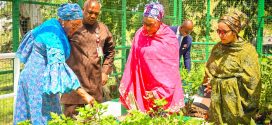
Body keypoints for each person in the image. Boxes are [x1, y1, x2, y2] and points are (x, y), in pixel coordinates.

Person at [14, 3, 94, 125]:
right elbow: (59, 67)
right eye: (74, 25)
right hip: (38, 82)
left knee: (29, 118)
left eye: (79, 25)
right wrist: (85, 95)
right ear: (63, 21)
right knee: (44, 118)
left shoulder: (51, 24)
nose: (76, 29)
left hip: (29, 77)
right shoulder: (53, 35)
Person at [119, 2, 184, 113]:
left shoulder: (169, 38)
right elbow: (133, 60)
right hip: (142, 83)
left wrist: (158, 92)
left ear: (159, 22)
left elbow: (171, 69)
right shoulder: (140, 33)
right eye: (144, 23)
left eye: (150, 24)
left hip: (163, 88)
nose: (146, 27)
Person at [203, 10, 261, 124]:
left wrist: (228, 84)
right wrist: (210, 82)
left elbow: (254, 81)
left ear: (235, 31)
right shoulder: (217, 48)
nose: (220, 35)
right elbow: (209, 70)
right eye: (218, 31)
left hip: (236, 103)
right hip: (217, 102)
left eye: (224, 32)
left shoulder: (246, 51)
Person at [61, 0, 115, 117]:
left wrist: (105, 72)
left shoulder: (102, 29)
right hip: (74, 87)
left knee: (94, 119)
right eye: (90, 12)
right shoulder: (73, 25)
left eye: (96, 14)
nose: (92, 16)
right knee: (71, 121)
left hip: (95, 84)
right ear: (83, 10)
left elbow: (110, 50)